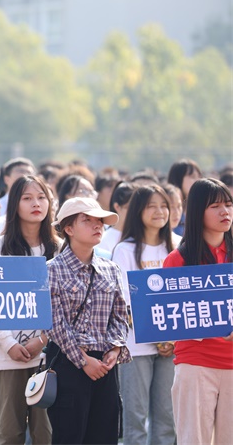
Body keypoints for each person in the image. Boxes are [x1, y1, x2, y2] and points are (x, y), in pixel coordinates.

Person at [46, 197, 131, 444]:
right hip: (68, 363)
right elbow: (54, 322)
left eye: (100, 221)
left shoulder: (110, 268)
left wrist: (115, 349)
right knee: (69, 436)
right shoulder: (52, 269)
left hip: (105, 364)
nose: (97, 226)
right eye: (88, 220)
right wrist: (83, 360)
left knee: (105, 436)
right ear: (68, 229)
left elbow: (120, 314)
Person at [0, 175, 59, 445]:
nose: (35, 204)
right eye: (27, 198)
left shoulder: (59, 249)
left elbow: (64, 306)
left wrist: (44, 340)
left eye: (41, 197)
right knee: (8, 434)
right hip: (6, 356)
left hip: (48, 357)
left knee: (47, 434)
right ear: (14, 205)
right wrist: (8, 343)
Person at [162, 178, 233, 445]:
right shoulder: (177, 260)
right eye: (215, 206)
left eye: (228, 204)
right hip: (196, 363)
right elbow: (170, 316)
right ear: (197, 212)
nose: (225, 211)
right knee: (194, 440)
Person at [111, 185, 177, 445]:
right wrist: (157, 336)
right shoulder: (124, 250)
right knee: (135, 418)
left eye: (164, 205)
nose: (159, 211)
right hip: (135, 347)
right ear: (138, 210)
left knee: (166, 418)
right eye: (152, 205)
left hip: (172, 347)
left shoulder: (177, 247)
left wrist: (170, 339)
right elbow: (125, 302)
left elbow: (182, 300)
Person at [97, 181, 137, 257]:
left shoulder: (142, 236)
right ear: (117, 207)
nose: (134, 212)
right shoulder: (105, 239)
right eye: (130, 208)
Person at [166, 158, 203, 236]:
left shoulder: (201, 209)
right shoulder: (165, 210)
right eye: (192, 176)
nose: (198, 180)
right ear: (178, 179)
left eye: (199, 176)